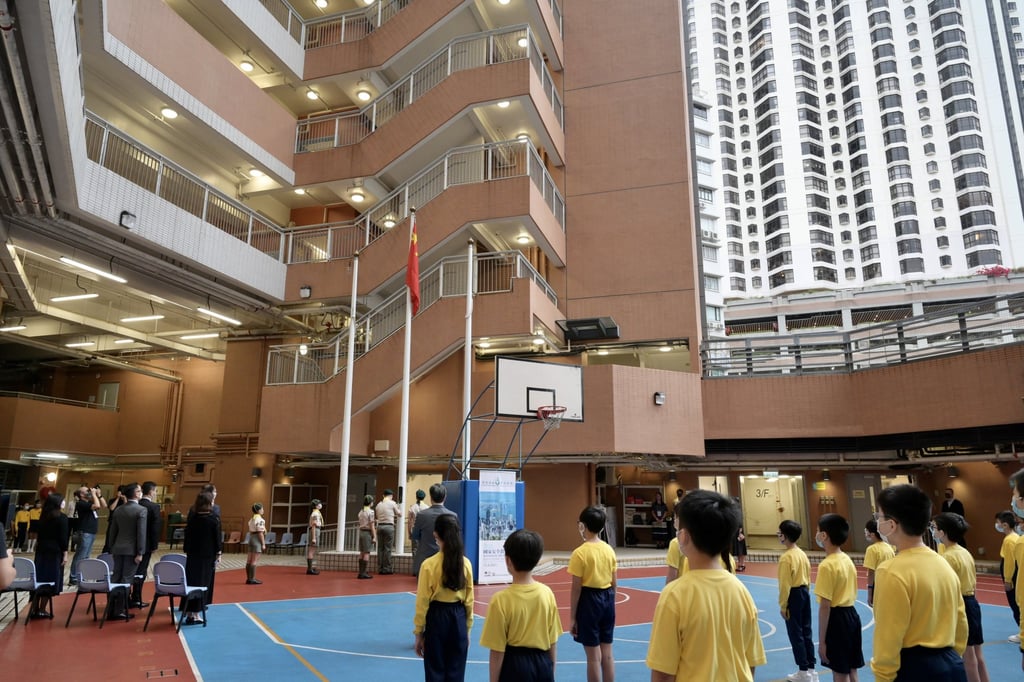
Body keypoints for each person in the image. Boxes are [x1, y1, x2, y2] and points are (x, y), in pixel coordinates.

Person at [647, 490, 766, 681]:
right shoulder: (741, 592)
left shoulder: (674, 595)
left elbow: (663, 672)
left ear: (684, 536)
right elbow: (750, 662)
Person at [870, 484, 967, 682]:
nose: (877, 522)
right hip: (951, 664)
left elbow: (888, 636)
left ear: (891, 524)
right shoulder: (943, 562)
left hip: (914, 667)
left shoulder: (891, 571)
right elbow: (961, 621)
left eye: (879, 517)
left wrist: (883, 677)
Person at [480, 529, 561, 681]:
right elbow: (552, 641)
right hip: (542, 663)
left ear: (508, 560)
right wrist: (551, 670)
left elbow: (497, 650)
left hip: (514, 665)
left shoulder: (500, 600)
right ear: (537, 560)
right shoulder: (547, 594)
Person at [413, 513, 474, 681]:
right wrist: (467, 629)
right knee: (456, 670)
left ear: (436, 535)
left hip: (437, 617)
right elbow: (469, 601)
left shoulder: (428, 565)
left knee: (434, 669)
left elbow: (422, 602)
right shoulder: (466, 564)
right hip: (458, 617)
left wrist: (419, 633)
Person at [933, 513, 989, 682]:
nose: (932, 531)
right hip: (972, 603)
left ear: (943, 532)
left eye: (934, 528)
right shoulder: (964, 552)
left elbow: (946, 588)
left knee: (968, 657)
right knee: (977, 654)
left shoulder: (948, 557)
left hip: (961, 604)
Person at [568, 505, 617, 682]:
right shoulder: (609, 550)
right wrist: (611, 603)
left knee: (593, 657)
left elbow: (576, 588)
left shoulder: (580, 553)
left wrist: (573, 617)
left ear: (583, 526)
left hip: (589, 600)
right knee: (608, 654)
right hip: (607, 598)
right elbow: (614, 582)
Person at [814, 513, 864, 682]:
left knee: (839, 672)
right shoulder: (847, 559)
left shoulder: (827, 565)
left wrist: (822, 642)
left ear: (823, 535)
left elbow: (825, 606)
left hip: (837, 620)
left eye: (817, 531)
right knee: (851, 669)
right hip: (852, 616)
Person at [778, 519, 817, 682]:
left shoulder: (786, 558)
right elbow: (808, 577)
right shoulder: (802, 554)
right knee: (806, 631)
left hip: (793, 595)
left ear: (785, 536)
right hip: (804, 593)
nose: (778, 535)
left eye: (780, 533)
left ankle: (802, 671)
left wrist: (783, 605)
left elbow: (784, 584)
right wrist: (806, 593)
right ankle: (811, 669)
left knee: (796, 634)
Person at [183, 491, 222, 625]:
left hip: (192, 555)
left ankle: (188, 612)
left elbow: (187, 536)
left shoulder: (193, 518)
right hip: (206, 556)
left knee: (191, 582)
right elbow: (217, 539)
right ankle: (196, 613)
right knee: (202, 584)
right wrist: (219, 553)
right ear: (210, 503)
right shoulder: (213, 519)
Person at [32, 493, 69, 618]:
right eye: (63, 501)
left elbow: (39, 536)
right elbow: (63, 538)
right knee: (51, 579)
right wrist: (65, 553)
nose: (64, 503)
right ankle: (42, 609)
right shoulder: (62, 518)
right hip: (55, 551)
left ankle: (34, 608)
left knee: (39, 577)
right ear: (58, 503)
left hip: (42, 549)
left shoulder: (43, 516)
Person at [106, 482, 147, 587]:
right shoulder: (141, 510)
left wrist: (111, 546)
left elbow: (113, 531)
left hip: (117, 548)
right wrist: (140, 552)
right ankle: (122, 602)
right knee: (127, 578)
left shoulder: (118, 509)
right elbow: (141, 533)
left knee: (116, 576)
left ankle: (112, 602)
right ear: (136, 494)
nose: (141, 492)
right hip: (132, 550)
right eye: (139, 491)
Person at [413, 483, 455, 576]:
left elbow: (415, 535)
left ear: (431, 497)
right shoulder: (452, 516)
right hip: (446, 560)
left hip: (425, 559)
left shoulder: (422, 515)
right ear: (445, 497)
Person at [134, 481, 161, 608]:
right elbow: (155, 528)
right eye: (155, 491)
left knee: (131, 571)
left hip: (132, 542)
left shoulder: (135, 504)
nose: (155, 493)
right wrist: (155, 545)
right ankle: (137, 597)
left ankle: (129, 597)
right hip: (146, 543)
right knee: (142, 571)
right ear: (150, 492)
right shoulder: (154, 507)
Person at [68, 485, 102, 586]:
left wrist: (99, 496)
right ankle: (73, 577)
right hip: (84, 532)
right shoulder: (81, 503)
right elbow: (98, 506)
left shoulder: (89, 502)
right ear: (82, 494)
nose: (89, 491)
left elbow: (103, 505)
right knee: (80, 555)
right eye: (87, 491)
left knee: (86, 556)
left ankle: (81, 575)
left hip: (91, 532)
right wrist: (94, 494)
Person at [996, 509, 1021, 641]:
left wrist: (1007, 580)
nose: (997, 525)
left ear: (1005, 525)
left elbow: (1010, 561)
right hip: (1014, 575)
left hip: (1013, 577)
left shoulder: (1010, 540)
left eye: (998, 523)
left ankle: (1022, 633)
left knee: (1015, 604)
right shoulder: (1013, 538)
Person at [863, 518, 895, 608]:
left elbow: (871, 572)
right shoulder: (889, 547)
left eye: (866, 531)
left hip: (879, 585)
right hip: (890, 584)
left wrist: (870, 592)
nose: (865, 533)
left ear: (872, 534)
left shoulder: (872, 549)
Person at [375, 489, 400, 575]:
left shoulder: (378, 504)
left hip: (379, 526)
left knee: (380, 548)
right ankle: (387, 568)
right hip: (389, 526)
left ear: (383, 495)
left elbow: (377, 515)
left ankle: (380, 568)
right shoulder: (392, 503)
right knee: (387, 549)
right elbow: (399, 514)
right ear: (391, 496)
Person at [246, 503, 266, 585]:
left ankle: (248, 578)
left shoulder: (252, 519)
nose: (263, 510)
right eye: (262, 509)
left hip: (251, 538)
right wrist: (263, 544)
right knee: (254, 560)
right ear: (258, 510)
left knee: (249, 560)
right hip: (257, 539)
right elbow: (260, 533)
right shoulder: (260, 520)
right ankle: (252, 579)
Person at [357, 494, 376, 579]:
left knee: (362, 552)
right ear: (370, 502)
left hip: (361, 532)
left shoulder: (361, 512)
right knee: (367, 552)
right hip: (367, 533)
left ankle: (360, 572)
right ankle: (363, 573)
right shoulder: (371, 512)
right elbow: (372, 526)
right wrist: (374, 536)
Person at [408, 489, 428, 556]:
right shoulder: (427, 507)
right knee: (424, 548)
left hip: (415, 529)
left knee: (415, 549)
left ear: (416, 497)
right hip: (424, 530)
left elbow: (410, 522)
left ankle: (416, 565)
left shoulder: (412, 508)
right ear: (424, 497)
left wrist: (410, 533)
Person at [306, 498, 323, 575]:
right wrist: (313, 537)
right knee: (311, 550)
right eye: (319, 503)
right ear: (316, 505)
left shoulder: (316, 513)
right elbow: (313, 526)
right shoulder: (315, 514)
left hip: (316, 530)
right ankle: (309, 569)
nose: (320, 505)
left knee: (312, 550)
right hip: (315, 530)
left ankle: (310, 568)